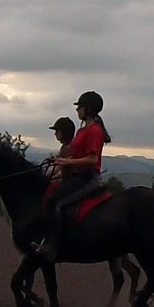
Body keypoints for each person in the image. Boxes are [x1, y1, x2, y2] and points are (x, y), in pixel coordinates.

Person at [37, 91, 111, 261]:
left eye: (80, 107)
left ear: (89, 109)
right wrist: (61, 160)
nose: (77, 110)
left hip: (88, 178)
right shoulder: (82, 131)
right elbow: (77, 156)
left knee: (56, 203)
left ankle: (53, 247)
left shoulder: (95, 131)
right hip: (76, 177)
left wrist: (67, 163)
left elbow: (92, 159)